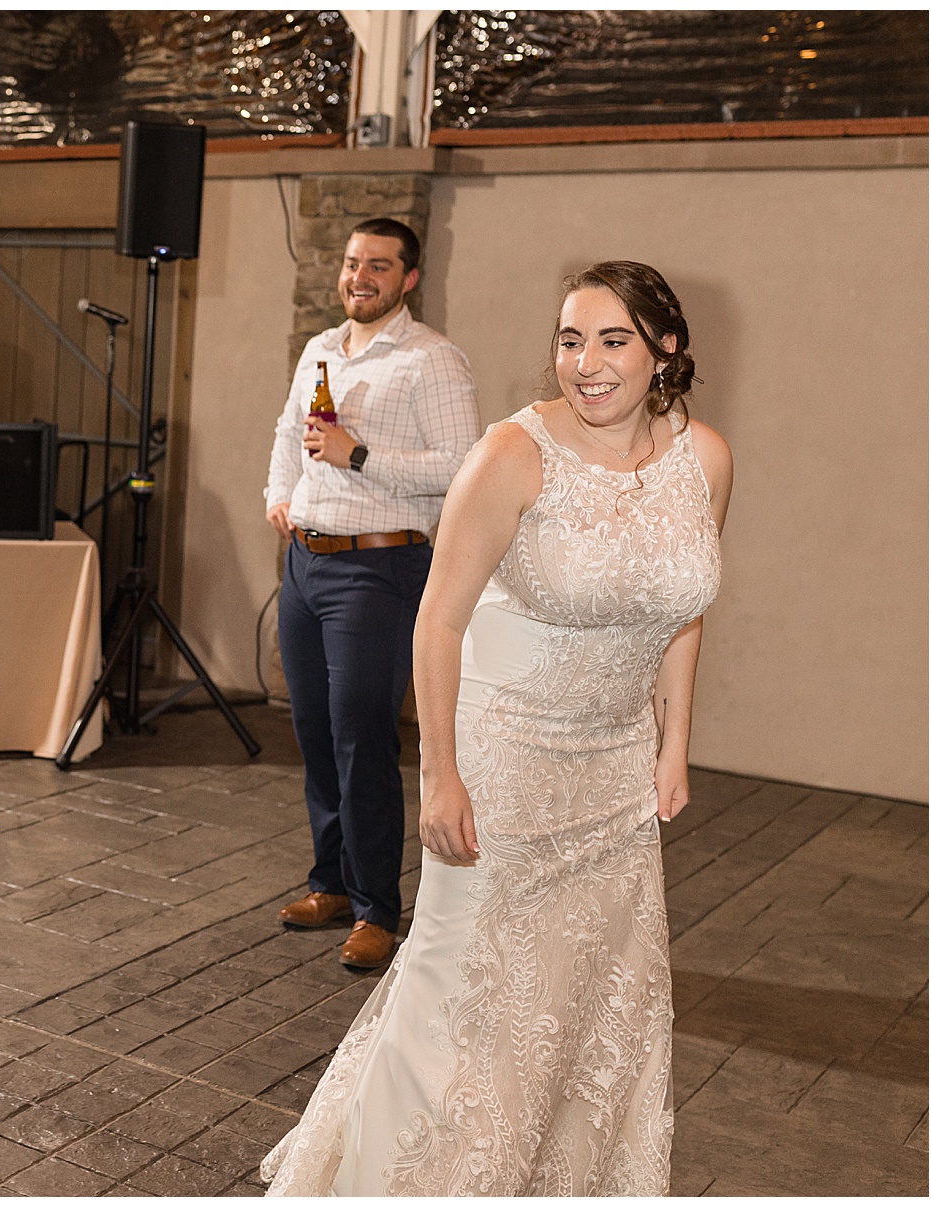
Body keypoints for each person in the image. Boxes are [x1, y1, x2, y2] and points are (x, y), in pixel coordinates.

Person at [262, 261, 731, 1194]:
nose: (585, 364)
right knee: (461, 993)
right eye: (569, 339)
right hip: (504, 761)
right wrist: (439, 774)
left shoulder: (706, 458)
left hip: (613, 776)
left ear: (665, 349)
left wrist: (674, 740)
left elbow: (681, 604)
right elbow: (437, 617)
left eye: (612, 340)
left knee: (589, 997)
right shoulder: (514, 452)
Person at [263, 218, 480, 969]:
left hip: (377, 570)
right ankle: (331, 880)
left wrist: (359, 455)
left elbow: (460, 468)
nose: (361, 276)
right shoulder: (321, 348)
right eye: (354, 263)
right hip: (305, 562)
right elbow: (290, 432)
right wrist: (280, 493)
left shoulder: (432, 360)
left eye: (379, 266)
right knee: (315, 731)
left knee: (363, 737)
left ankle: (378, 908)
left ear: (408, 278)